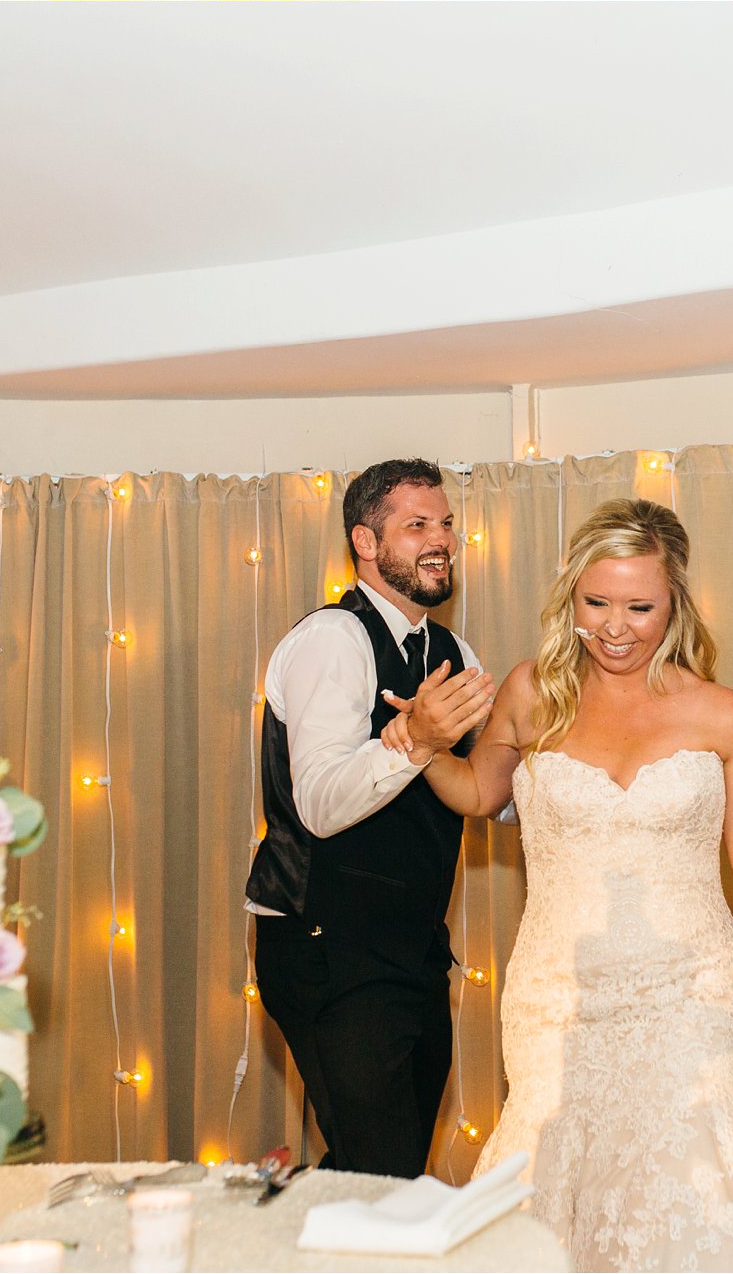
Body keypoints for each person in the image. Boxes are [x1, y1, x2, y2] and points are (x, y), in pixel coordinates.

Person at [383, 499, 733, 1272]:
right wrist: (418, 746)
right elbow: (479, 793)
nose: (615, 626)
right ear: (571, 594)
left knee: (689, 1187)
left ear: (674, 603)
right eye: (596, 602)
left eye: (640, 606)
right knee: (552, 1177)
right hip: (557, 993)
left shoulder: (725, 715)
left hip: (690, 993)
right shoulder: (531, 690)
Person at [245, 459, 495, 1177]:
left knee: (386, 1173)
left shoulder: (453, 653)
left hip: (415, 950)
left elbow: (483, 790)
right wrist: (417, 739)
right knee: (382, 1173)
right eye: (416, 524)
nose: (440, 538)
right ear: (365, 540)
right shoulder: (333, 639)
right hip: (325, 944)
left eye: (445, 523)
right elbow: (320, 804)